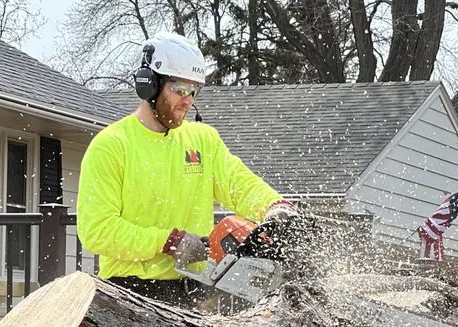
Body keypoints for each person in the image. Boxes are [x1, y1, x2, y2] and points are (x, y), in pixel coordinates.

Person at [77, 31, 296, 307]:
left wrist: (272, 206)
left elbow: (237, 182)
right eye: (179, 89)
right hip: (130, 292)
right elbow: (97, 230)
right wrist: (167, 241)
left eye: (193, 91)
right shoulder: (112, 146)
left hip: (195, 288)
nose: (187, 100)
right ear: (150, 85)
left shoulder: (202, 140)